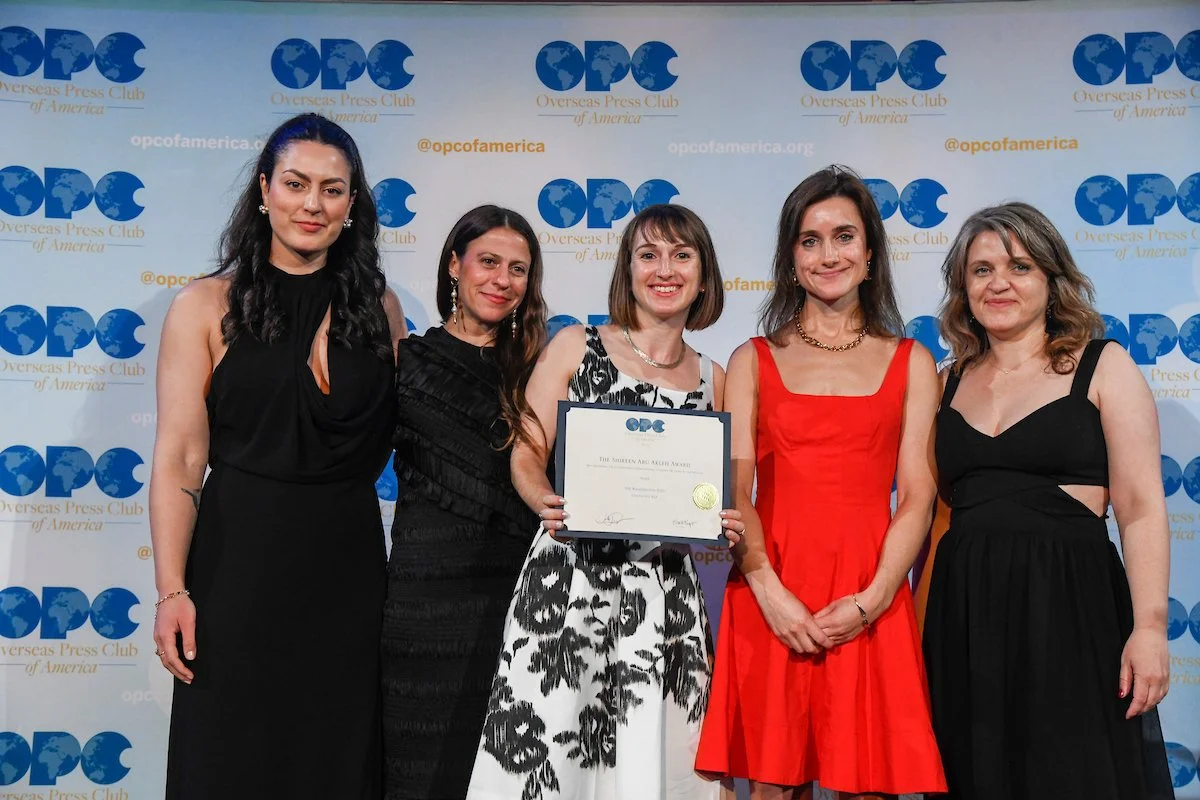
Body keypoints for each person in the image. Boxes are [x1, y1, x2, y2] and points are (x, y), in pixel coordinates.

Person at [149, 112, 406, 798]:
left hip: (348, 572)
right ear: (264, 190)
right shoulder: (203, 306)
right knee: (230, 759)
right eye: (295, 184)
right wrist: (172, 590)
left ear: (352, 205)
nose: (312, 204)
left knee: (337, 759)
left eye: (332, 189)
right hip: (237, 570)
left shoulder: (381, 308)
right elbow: (179, 459)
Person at [466, 203, 745, 800]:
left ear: (704, 275)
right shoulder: (576, 345)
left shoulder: (715, 379)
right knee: (552, 751)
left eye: (681, 255)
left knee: (657, 757)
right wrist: (543, 498)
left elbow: (713, 492)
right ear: (627, 269)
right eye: (648, 255)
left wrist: (723, 519)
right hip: (569, 582)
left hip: (665, 594)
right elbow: (525, 451)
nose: (664, 269)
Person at [695, 165, 947, 799]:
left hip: (870, 597)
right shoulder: (752, 359)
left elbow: (918, 497)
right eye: (810, 240)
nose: (828, 255)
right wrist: (770, 593)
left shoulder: (913, 362)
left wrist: (873, 599)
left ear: (870, 254)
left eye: (844, 237)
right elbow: (735, 493)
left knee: (870, 785)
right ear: (791, 259)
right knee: (770, 787)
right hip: (771, 590)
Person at [923, 201, 1174, 800]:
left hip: (1071, 610)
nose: (999, 283)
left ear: (1051, 277)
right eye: (981, 270)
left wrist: (1150, 628)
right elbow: (933, 514)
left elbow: (1140, 508)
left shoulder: (1103, 366)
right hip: (965, 619)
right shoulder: (944, 380)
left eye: (1020, 266)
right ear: (963, 287)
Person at [382, 205, 547, 798]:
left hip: (512, 599)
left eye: (518, 269)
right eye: (488, 262)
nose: (502, 280)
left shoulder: (540, 372)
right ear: (455, 265)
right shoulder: (405, 360)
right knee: (412, 767)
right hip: (419, 598)